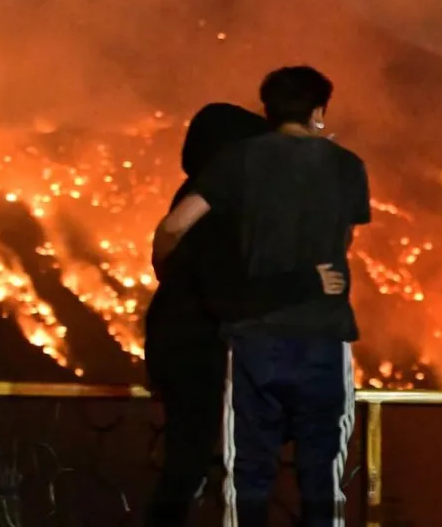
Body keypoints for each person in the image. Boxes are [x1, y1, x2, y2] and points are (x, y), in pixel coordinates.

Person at [152, 66, 371, 527]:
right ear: (318, 109)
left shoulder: (237, 165)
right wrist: (312, 279)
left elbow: (174, 227)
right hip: (322, 336)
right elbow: (344, 239)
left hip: (248, 342)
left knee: (246, 469)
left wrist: (164, 267)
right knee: (322, 469)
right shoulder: (346, 165)